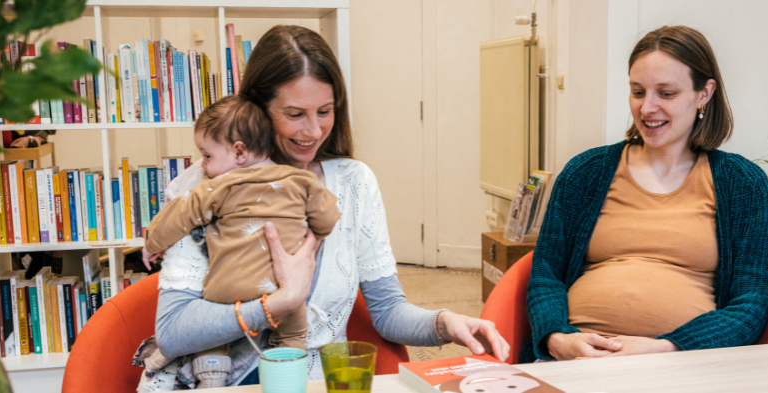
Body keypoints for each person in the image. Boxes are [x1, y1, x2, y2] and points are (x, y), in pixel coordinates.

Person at [139, 25, 509, 389]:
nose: (314, 131)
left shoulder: (353, 182)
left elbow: (387, 311)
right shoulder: (206, 185)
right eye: (295, 114)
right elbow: (172, 331)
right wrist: (282, 301)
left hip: (313, 380)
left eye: (325, 111)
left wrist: (445, 322)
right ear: (258, 110)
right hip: (219, 380)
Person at [522, 25, 768, 363]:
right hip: (575, 359)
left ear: (704, 93)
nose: (647, 108)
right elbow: (546, 274)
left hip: (684, 365)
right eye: (638, 91)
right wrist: (557, 338)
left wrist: (667, 346)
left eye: (666, 93)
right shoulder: (585, 172)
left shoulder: (743, 184)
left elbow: (751, 305)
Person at [139, 95, 340, 388]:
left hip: (227, 290)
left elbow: (180, 215)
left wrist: (152, 242)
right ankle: (284, 380)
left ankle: (212, 380)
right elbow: (329, 217)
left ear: (239, 152)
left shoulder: (219, 186)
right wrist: (314, 236)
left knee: (212, 338)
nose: (204, 165)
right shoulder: (302, 181)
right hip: (284, 289)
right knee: (294, 335)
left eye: (207, 156)